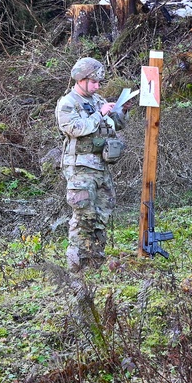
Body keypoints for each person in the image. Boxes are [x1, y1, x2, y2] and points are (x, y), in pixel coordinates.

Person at [56, 57, 128, 272]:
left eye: (98, 82)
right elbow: (76, 128)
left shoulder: (97, 100)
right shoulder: (68, 103)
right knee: (83, 217)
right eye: (94, 82)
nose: (97, 86)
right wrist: (100, 114)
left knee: (102, 214)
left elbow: (115, 126)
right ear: (81, 79)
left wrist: (119, 111)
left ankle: (95, 263)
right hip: (80, 170)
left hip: (100, 167)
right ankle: (77, 269)